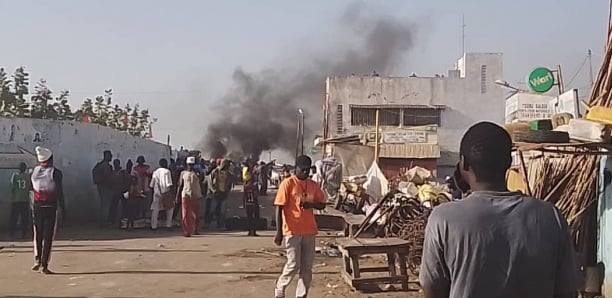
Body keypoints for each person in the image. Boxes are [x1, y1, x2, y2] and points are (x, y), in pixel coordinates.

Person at [419, 122, 580, 298]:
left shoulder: (443, 219)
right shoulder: (551, 216)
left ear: (463, 163)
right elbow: (566, 291)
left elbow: (433, 290)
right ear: (509, 162)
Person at [273, 155, 326, 298]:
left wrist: (312, 205)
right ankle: (280, 286)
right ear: (295, 168)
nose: (305, 173)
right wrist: (279, 233)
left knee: (307, 267)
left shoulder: (313, 185)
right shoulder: (287, 184)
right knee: (293, 264)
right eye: (302, 170)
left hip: (309, 231)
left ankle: (301, 295)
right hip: (292, 230)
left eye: (308, 170)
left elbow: (322, 203)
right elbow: (279, 208)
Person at [31, 146, 66, 274]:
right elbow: (60, 192)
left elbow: (31, 190)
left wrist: (33, 205)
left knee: (38, 234)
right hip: (51, 207)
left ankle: (37, 259)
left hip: (37, 206)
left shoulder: (33, 172)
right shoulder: (56, 173)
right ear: (51, 159)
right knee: (48, 236)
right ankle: (44, 265)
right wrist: (64, 209)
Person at [176, 157, 203, 237]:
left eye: (192, 165)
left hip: (196, 195)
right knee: (185, 214)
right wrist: (177, 196)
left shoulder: (198, 173)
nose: (190, 166)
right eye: (189, 165)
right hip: (186, 195)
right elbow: (180, 185)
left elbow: (202, 182)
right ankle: (186, 231)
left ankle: (195, 229)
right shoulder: (183, 173)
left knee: (195, 213)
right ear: (186, 164)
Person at [8, 162, 31, 239]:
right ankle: (24, 233)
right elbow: (30, 187)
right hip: (25, 199)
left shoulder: (15, 175)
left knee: (14, 216)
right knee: (24, 217)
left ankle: (12, 232)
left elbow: (12, 187)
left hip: (16, 199)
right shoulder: (27, 176)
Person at [150, 158, 174, 230]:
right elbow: (169, 184)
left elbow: (151, 185)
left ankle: (153, 226)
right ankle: (168, 225)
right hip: (165, 193)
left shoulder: (155, 172)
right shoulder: (167, 172)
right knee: (170, 208)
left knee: (155, 210)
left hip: (156, 193)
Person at [208, 159, 232, 229]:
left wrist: (227, 192)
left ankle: (220, 224)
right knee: (212, 209)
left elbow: (229, 184)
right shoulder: (215, 172)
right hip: (216, 194)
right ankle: (208, 223)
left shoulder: (228, 174)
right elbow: (210, 182)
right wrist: (213, 190)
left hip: (224, 194)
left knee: (222, 211)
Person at [92, 150, 113, 226]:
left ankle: (102, 222)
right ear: (106, 156)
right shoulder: (106, 166)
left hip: (100, 186)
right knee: (105, 206)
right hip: (106, 187)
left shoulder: (99, 165)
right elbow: (109, 177)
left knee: (103, 205)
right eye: (110, 155)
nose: (111, 156)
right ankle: (104, 223)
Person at [108, 159, 124, 225]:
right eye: (115, 163)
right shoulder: (112, 172)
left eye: (117, 163)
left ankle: (123, 219)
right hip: (115, 191)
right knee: (113, 207)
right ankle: (112, 220)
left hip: (121, 190)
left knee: (124, 206)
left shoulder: (122, 172)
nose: (115, 165)